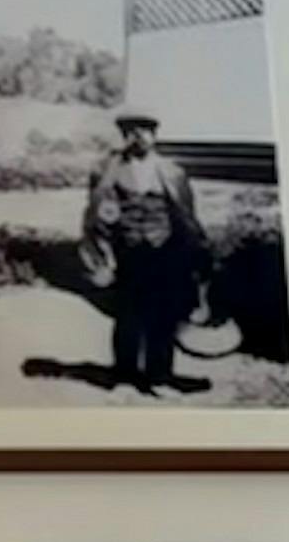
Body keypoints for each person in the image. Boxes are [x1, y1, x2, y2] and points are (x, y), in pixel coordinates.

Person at [80, 113, 210, 394]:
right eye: (131, 130)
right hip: (128, 254)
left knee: (163, 315)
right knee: (127, 314)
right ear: (123, 136)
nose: (138, 136)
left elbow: (186, 217)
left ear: (155, 135)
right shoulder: (106, 171)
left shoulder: (172, 172)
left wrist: (195, 255)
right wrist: (103, 255)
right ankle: (124, 375)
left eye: (145, 130)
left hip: (165, 254)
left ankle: (159, 376)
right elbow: (98, 215)